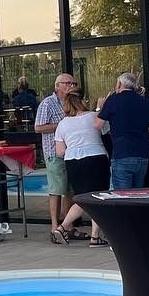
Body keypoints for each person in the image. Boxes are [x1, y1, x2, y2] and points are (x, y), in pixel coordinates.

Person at [52, 93, 110, 247]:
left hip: (73, 161)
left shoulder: (62, 124)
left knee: (83, 198)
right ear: (81, 102)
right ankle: (95, 236)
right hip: (95, 158)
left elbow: (60, 152)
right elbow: (105, 130)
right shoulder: (93, 116)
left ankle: (62, 226)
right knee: (98, 197)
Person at [35, 72, 79, 238]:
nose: (71, 86)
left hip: (71, 151)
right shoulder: (48, 103)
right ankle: (54, 226)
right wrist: (61, 125)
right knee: (56, 190)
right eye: (67, 83)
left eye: (73, 83)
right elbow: (38, 127)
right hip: (54, 153)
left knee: (70, 190)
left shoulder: (72, 102)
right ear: (57, 85)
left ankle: (68, 225)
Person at [98, 72, 149, 190]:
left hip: (122, 153)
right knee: (137, 194)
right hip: (142, 154)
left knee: (122, 197)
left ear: (119, 84)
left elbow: (97, 124)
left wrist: (100, 108)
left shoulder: (113, 100)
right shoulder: (146, 102)